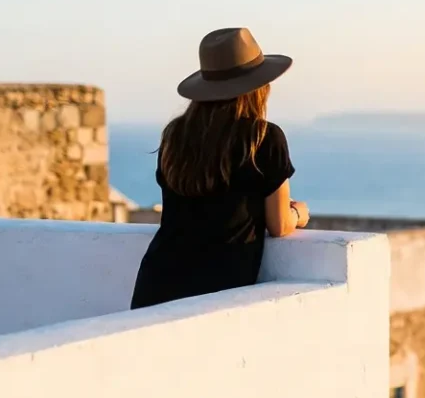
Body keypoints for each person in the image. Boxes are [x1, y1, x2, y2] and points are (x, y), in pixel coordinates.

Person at [130, 27, 309, 310]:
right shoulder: (262, 138)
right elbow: (278, 224)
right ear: (259, 87)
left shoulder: (176, 135)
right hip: (215, 292)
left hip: (156, 284)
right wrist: (299, 212)